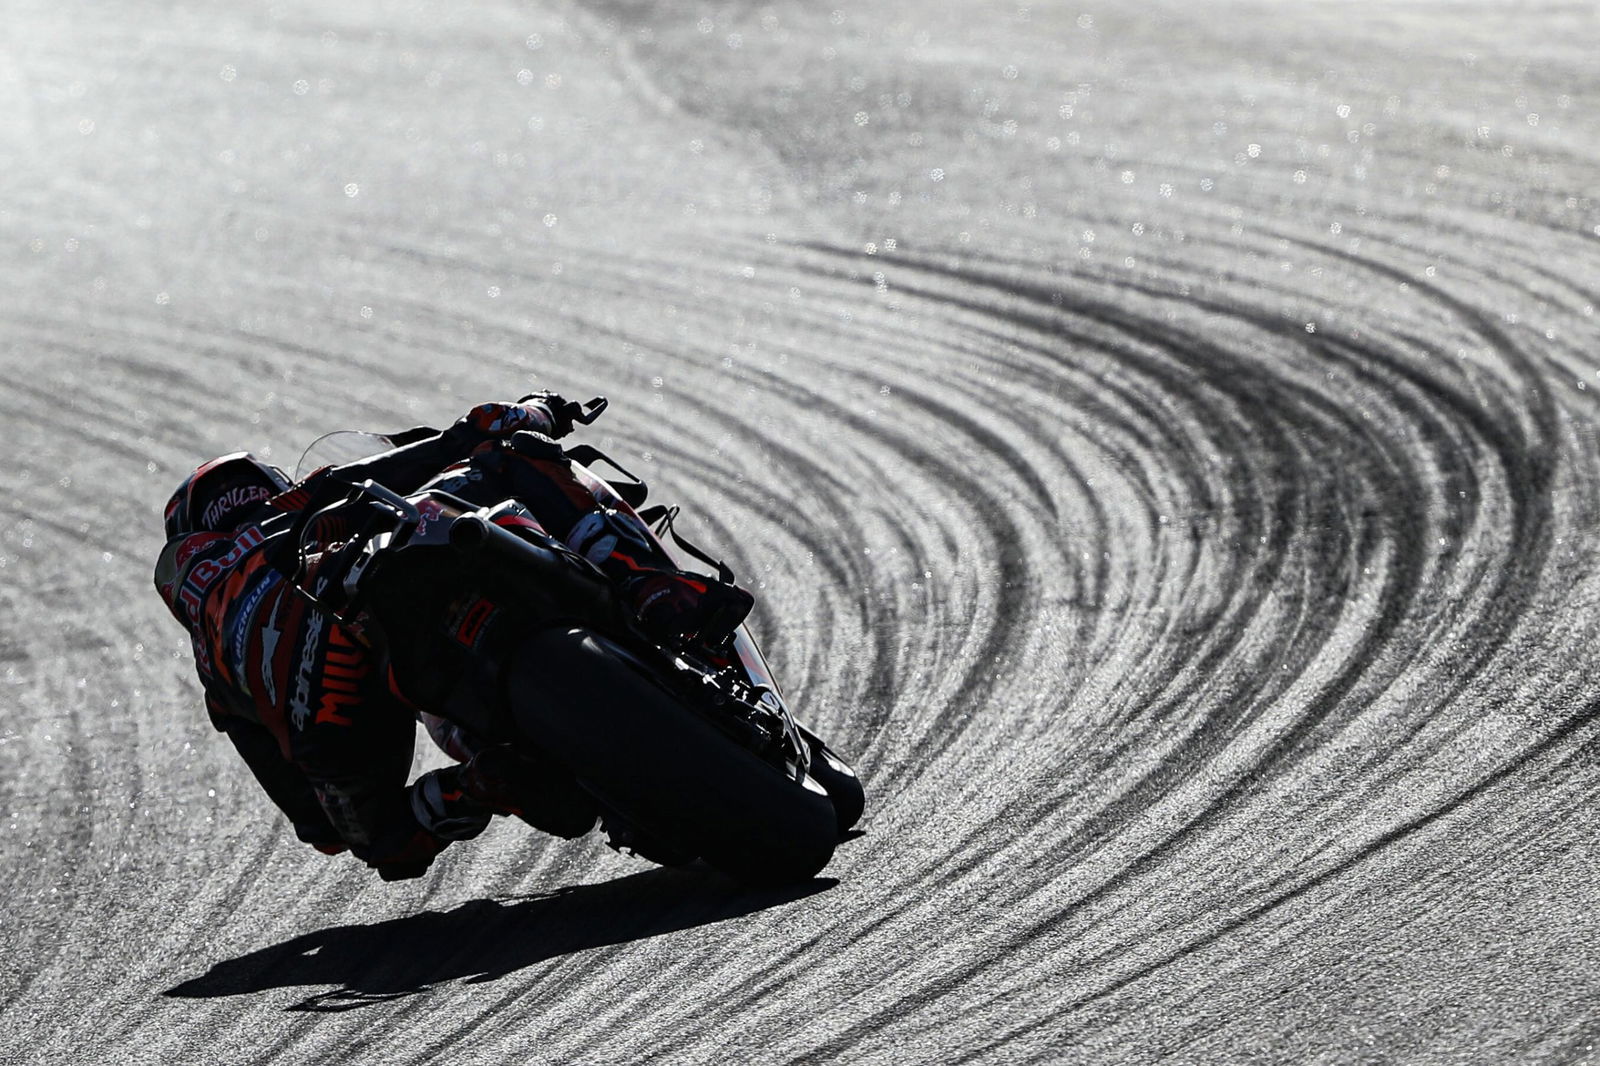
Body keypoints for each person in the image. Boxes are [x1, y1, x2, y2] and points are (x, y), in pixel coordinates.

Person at [154, 394, 752, 881]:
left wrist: (404, 803)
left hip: (332, 706)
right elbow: (435, 453)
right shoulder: (302, 508)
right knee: (513, 452)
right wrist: (521, 414)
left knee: (384, 838)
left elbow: (323, 830)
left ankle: (476, 785)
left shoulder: (214, 655)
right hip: (375, 624)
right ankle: (646, 584)